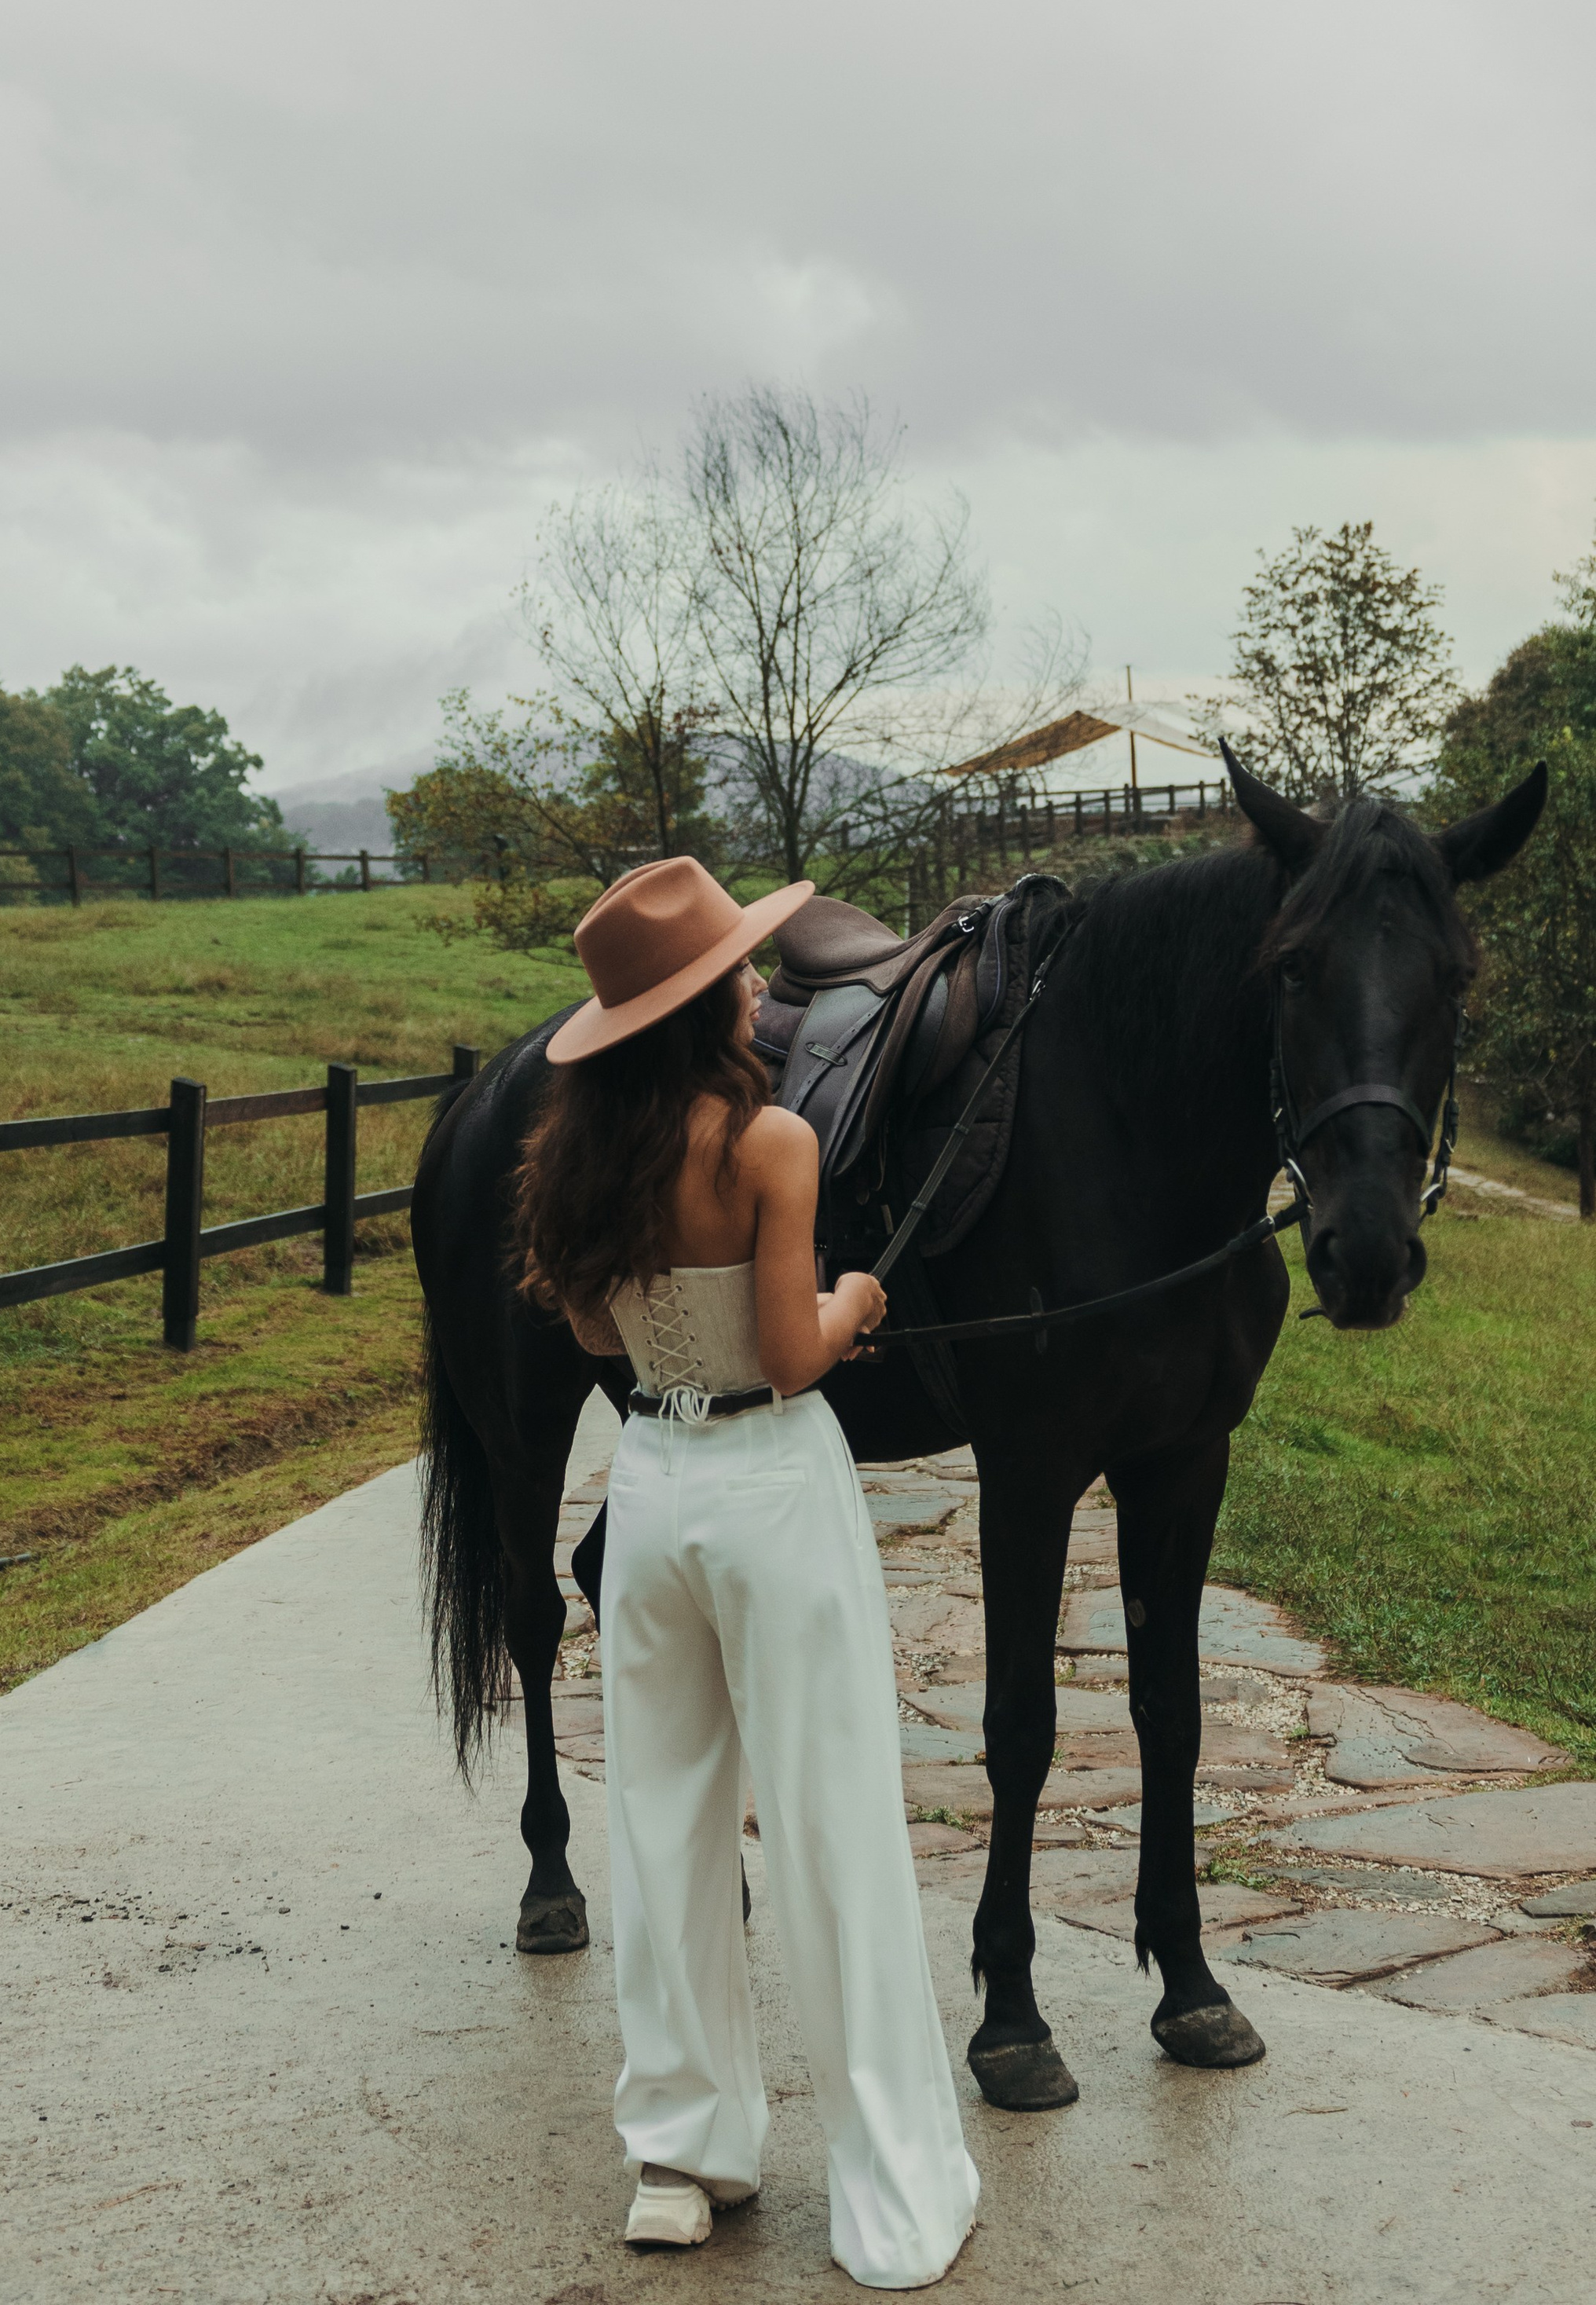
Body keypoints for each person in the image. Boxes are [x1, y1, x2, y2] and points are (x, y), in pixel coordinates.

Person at [514, 856, 979, 2290]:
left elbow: (598, 1339)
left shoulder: (581, 1157)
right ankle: (891, 2178)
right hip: (771, 1485)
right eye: (737, 973)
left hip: (651, 1487)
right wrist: (857, 1298)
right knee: (833, 1815)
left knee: (663, 1817)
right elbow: (791, 1354)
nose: (752, 990)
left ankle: (681, 2153)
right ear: (710, 998)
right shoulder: (770, 1144)